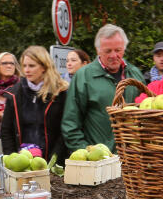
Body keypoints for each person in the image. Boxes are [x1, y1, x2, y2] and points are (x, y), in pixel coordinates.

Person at [61, 24, 144, 153]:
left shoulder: (135, 74)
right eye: (108, 51)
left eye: (118, 50)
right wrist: (87, 153)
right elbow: (70, 124)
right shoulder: (83, 77)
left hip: (134, 160)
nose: (114, 55)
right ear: (98, 50)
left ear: (124, 48)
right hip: (99, 162)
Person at [0, 46, 69, 163]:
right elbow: (6, 131)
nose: (27, 70)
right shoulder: (14, 94)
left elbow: (65, 132)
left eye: (31, 66)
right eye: (24, 66)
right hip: (22, 162)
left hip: (54, 161)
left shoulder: (61, 93)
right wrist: (12, 159)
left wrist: (54, 161)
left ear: (43, 67)